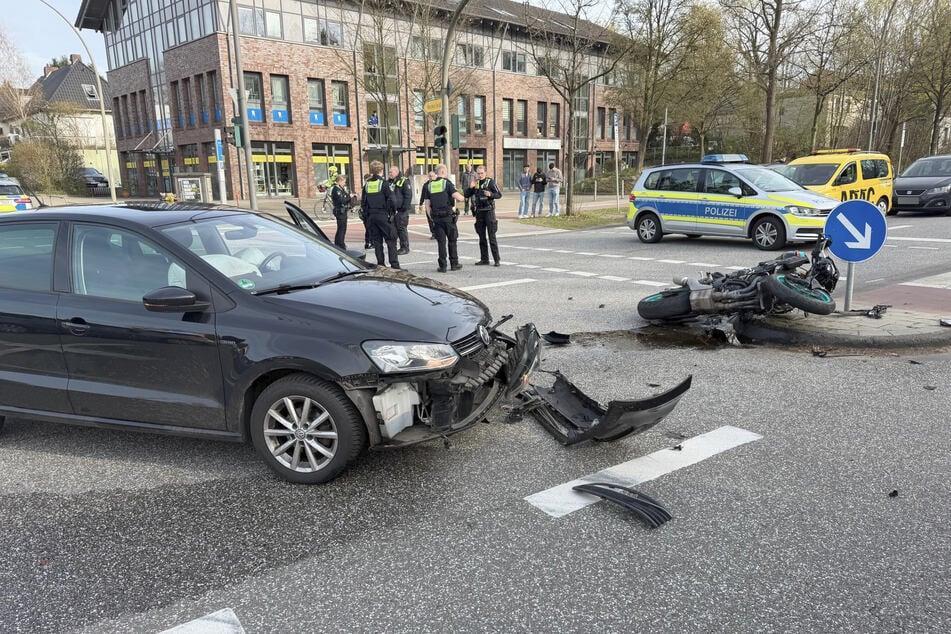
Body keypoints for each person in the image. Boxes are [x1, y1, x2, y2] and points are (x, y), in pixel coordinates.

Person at [420, 163, 465, 272]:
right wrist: (464, 197)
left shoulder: (430, 185)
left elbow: (427, 205)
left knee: (441, 243)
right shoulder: (447, 183)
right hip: (448, 217)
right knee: (452, 240)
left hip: (436, 218)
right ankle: (454, 264)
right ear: (443, 172)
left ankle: (442, 266)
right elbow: (458, 198)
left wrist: (431, 217)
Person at [361, 161, 400, 269]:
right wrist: (392, 212)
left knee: (377, 242)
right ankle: (394, 265)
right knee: (391, 240)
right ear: (381, 170)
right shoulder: (384, 184)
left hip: (371, 216)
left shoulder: (367, 185)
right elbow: (392, 200)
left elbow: (363, 202)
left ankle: (381, 264)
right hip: (383, 215)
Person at [466, 164, 503, 266]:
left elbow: (499, 195)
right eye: (478, 173)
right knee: (481, 237)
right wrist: (470, 187)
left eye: (482, 173)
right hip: (479, 212)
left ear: (485, 173)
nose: (480, 175)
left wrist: (490, 194)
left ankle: (496, 259)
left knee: (492, 237)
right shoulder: (475, 182)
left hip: (489, 211)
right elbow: (466, 195)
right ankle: (484, 259)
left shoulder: (490, 182)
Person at [387, 165, 413, 254]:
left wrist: (403, 208)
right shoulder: (390, 182)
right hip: (393, 210)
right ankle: (395, 247)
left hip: (402, 210)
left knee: (401, 228)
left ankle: (405, 247)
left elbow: (408, 195)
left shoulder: (404, 181)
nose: (389, 174)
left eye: (391, 172)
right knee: (393, 229)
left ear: (396, 172)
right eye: (389, 172)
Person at [330, 174, 352, 250]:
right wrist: (349, 197)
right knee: (342, 229)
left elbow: (345, 196)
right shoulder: (336, 189)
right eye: (344, 182)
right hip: (340, 211)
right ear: (340, 181)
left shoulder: (340, 188)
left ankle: (338, 243)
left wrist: (349, 196)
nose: (344, 183)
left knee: (342, 228)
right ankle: (340, 245)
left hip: (343, 211)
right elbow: (342, 200)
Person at [424, 170, 437, 239]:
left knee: (437, 219)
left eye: (432, 176)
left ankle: (439, 232)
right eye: (430, 176)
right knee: (430, 219)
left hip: (436, 204)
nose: (431, 177)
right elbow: (423, 194)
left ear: (435, 176)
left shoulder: (438, 184)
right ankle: (433, 233)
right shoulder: (426, 185)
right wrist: (420, 203)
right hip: (428, 205)